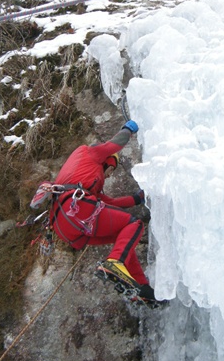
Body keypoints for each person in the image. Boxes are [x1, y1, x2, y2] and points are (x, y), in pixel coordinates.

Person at [48, 119, 157, 302]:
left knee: (123, 236)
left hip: (65, 226)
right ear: (107, 161)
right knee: (134, 224)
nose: (109, 175)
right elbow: (114, 144)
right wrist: (128, 129)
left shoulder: (84, 180)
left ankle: (141, 288)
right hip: (75, 207)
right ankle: (115, 262)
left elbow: (110, 203)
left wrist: (138, 198)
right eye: (111, 170)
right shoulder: (90, 153)